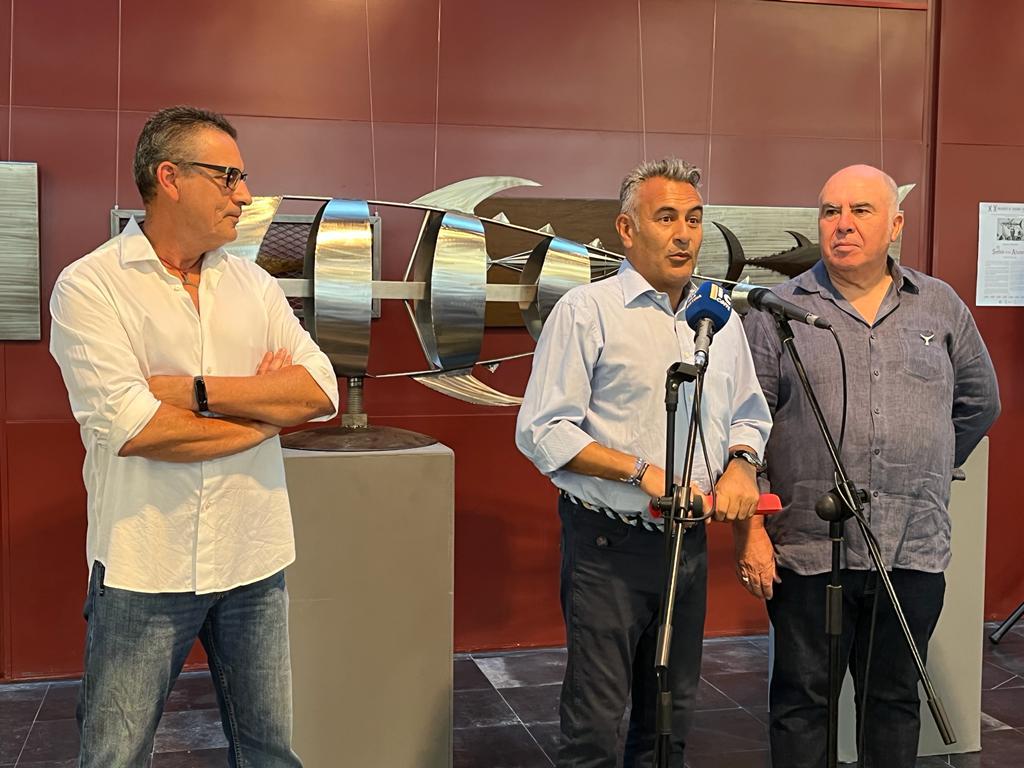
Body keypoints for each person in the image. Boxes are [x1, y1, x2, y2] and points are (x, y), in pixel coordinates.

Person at [49, 105, 339, 767]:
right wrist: (267, 415)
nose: (245, 195)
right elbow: (138, 428)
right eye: (228, 176)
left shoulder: (254, 284)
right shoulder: (91, 286)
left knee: (270, 753)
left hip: (253, 554)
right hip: (144, 564)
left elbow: (318, 390)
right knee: (114, 755)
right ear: (169, 178)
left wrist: (197, 392)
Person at [737, 164, 1000, 768]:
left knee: (893, 702)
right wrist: (753, 529)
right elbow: (745, 424)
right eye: (831, 211)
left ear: (895, 225)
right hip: (807, 548)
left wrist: (930, 463)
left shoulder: (940, 306)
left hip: (910, 546)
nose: (843, 224)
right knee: (801, 703)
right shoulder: (778, 310)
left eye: (860, 211)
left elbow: (980, 402)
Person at [515, 157, 772, 767]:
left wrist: (741, 464)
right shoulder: (587, 311)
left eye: (694, 220)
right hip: (609, 545)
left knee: (669, 723)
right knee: (596, 726)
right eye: (666, 218)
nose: (684, 235)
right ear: (627, 230)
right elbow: (543, 430)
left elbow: (748, 413)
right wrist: (641, 472)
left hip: (688, 543)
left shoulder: (720, 320)